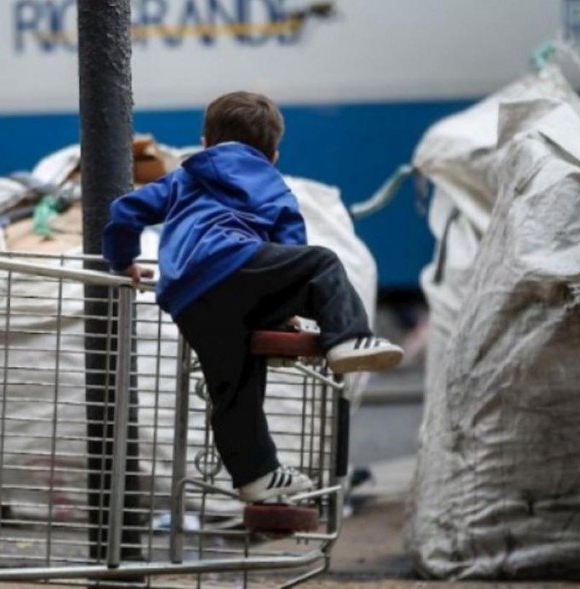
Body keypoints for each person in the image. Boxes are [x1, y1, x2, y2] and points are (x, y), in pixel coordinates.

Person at [102, 91, 403, 503]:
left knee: (234, 390)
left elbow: (124, 212)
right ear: (273, 155)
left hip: (190, 297)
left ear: (205, 143)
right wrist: (295, 311)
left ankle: (256, 475)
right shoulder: (271, 181)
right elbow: (291, 245)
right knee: (322, 263)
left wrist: (124, 262)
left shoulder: (186, 176)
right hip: (234, 263)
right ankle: (347, 338)